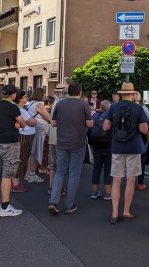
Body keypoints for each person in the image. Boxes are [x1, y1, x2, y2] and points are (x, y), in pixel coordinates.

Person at [103, 83, 148, 224]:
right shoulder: (138, 108)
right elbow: (144, 129)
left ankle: (114, 213)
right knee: (130, 179)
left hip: (117, 147)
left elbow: (105, 126)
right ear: (132, 94)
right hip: (133, 148)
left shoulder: (113, 107)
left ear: (121, 94)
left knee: (116, 179)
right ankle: (126, 211)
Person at [48, 82, 93, 215]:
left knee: (60, 172)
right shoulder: (84, 105)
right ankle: (69, 205)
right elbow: (89, 123)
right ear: (79, 92)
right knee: (74, 173)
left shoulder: (60, 104)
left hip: (62, 142)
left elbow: (54, 123)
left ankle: (53, 201)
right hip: (78, 142)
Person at [0, 85, 26, 216]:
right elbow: (23, 123)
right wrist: (17, 125)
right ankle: (5, 206)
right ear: (13, 95)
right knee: (7, 175)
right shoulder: (13, 107)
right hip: (10, 143)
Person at [11, 90, 37, 193]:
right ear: (20, 99)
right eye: (25, 96)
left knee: (21, 158)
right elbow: (31, 122)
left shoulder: (19, 108)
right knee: (21, 158)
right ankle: (15, 184)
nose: (27, 98)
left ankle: (16, 182)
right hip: (24, 136)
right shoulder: (20, 110)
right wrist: (34, 121)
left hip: (24, 135)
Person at [25, 88, 51, 183]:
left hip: (33, 128)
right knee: (37, 152)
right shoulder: (39, 105)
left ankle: (28, 174)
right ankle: (32, 174)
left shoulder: (29, 104)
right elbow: (48, 117)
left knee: (32, 152)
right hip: (40, 129)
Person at [89, 100, 112, 200]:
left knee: (96, 168)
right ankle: (107, 193)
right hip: (108, 145)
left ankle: (94, 191)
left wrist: (91, 143)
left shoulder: (94, 116)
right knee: (107, 169)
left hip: (96, 144)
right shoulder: (110, 117)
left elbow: (89, 131)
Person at [134, 91, 149, 191]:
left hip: (130, 137)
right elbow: (148, 119)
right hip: (141, 136)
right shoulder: (143, 108)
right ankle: (140, 183)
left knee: (130, 160)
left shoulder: (127, 107)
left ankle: (129, 181)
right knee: (141, 161)